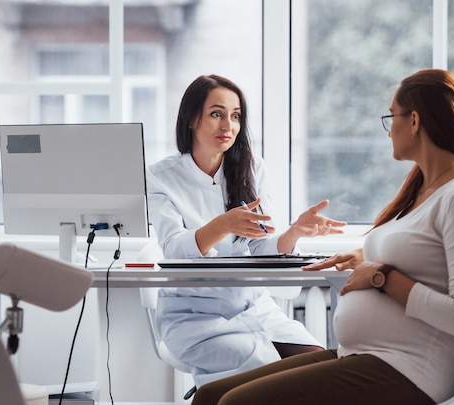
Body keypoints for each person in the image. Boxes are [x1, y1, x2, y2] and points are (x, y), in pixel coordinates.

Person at [190, 69, 454, 405]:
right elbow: (425, 258)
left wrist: (382, 277)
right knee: (209, 396)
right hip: (367, 354)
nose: (388, 129)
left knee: (237, 404)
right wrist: (366, 259)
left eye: (391, 116)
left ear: (414, 121)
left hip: (410, 369)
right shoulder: (425, 190)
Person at [146, 74, 346, 388]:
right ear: (191, 119)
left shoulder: (251, 169)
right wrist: (222, 224)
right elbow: (173, 250)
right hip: (194, 317)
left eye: (235, 116)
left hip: (253, 308)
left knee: (316, 360)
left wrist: (294, 232)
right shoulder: (160, 177)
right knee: (266, 374)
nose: (228, 126)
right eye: (216, 114)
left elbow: (260, 247)